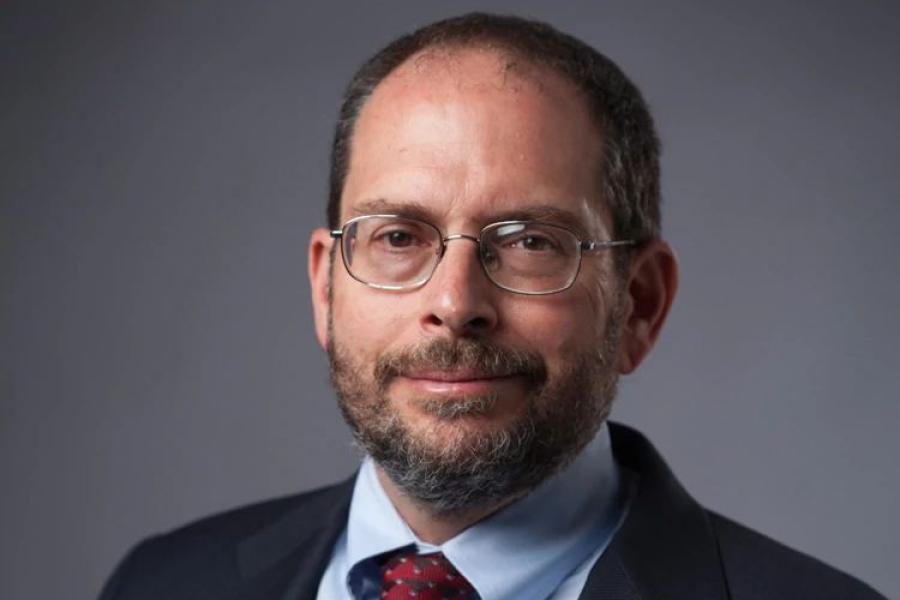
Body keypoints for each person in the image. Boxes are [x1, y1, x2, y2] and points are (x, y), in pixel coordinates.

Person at [98, 13, 886, 600]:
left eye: (532, 242)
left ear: (639, 305)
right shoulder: (164, 581)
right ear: (326, 287)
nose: (454, 303)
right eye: (399, 236)